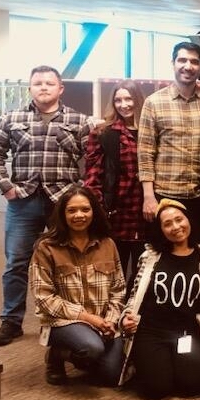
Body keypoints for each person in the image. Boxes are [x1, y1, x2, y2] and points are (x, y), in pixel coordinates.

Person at [0, 64, 92, 346]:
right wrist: (5, 186)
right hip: (24, 201)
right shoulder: (12, 118)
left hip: (64, 204)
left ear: (60, 88)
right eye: (38, 83)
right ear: (30, 88)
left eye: (49, 83)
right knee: (16, 262)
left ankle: (73, 317)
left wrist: (82, 194)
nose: (43, 87)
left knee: (69, 261)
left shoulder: (78, 121)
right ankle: (11, 321)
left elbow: (94, 160)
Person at [119, 199, 200, 400]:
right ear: (160, 229)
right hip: (151, 331)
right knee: (156, 390)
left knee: (194, 386)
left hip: (187, 332)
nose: (175, 227)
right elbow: (134, 295)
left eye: (179, 219)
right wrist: (124, 319)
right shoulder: (149, 257)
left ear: (188, 219)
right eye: (167, 224)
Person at [30, 186, 126, 386]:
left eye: (85, 209)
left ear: (94, 212)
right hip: (63, 321)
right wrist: (88, 318)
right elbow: (44, 298)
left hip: (102, 321)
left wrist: (110, 320)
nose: (79, 215)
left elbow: (118, 289)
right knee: (92, 348)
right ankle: (57, 353)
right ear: (62, 214)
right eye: (72, 210)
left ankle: (86, 352)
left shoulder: (108, 244)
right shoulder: (46, 247)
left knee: (112, 376)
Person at [137, 41, 200, 249]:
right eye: (182, 60)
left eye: (194, 61)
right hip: (165, 196)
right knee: (163, 255)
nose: (188, 66)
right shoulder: (154, 102)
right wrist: (149, 197)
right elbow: (145, 152)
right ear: (173, 63)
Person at [84, 80, 147, 283]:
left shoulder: (150, 131)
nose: (124, 104)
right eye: (118, 100)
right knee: (111, 272)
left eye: (129, 98)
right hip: (116, 212)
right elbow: (93, 176)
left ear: (138, 99)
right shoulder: (103, 133)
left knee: (142, 272)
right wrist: (98, 209)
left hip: (146, 211)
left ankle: (136, 314)